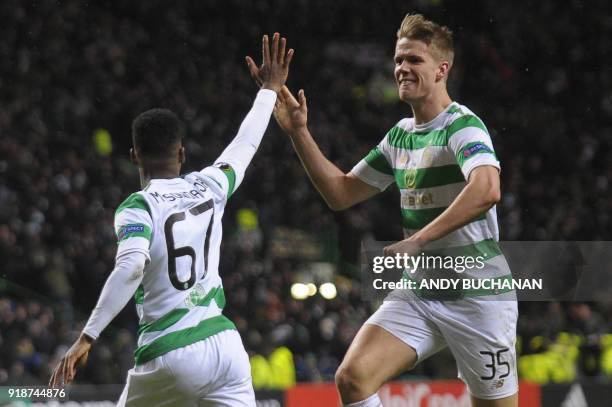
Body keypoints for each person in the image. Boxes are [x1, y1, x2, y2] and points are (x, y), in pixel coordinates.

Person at [259, 14, 518, 407]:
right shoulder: (399, 136)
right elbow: (341, 193)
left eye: (414, 60)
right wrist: (299, 133)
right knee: (353, 379)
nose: (402, 68)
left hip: (479, 295)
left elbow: (486, 188)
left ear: (441, 69)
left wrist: (417, 241)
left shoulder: (462, 126)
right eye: (398, 59)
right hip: (422, 289)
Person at [49, 33, 294, 406]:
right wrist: (271, 89)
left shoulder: (139, 207)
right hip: (226, 347)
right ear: (182, 151)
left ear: (134, 156)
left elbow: (131, 267)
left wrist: (87, 336)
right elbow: (246, 143)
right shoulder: (210, 185)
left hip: (169, 352)